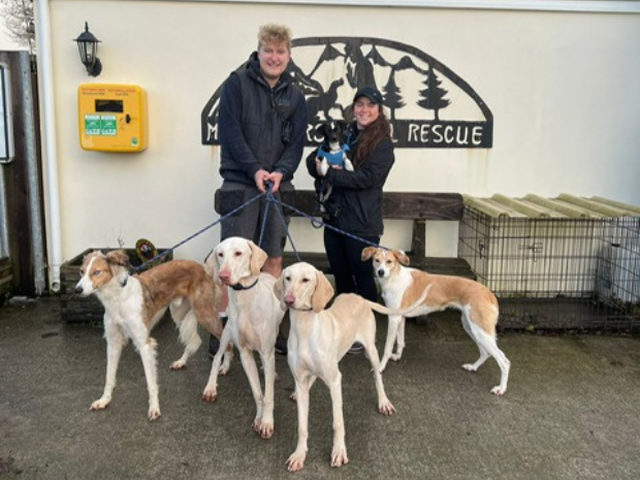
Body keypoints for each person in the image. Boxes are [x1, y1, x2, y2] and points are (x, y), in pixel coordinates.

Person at [209, 24, 308, 357]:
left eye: (281, 52)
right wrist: (255, 170)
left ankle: (271, 329)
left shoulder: (295, 95)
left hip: (276, 187)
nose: (275, 57)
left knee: (273, 261)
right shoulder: (236, 83)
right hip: (240, 183)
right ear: (259, 51)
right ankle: (221, 329)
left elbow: (296, 143)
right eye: (269, 51)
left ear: (288, 55)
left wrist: (280, 171)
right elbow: (231, 133)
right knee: (230, 266)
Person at [306, 86, 395, 354]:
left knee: (362, 277)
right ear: (354, 107)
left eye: (370, 105)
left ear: (379, 111)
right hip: (334, 219)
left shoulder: (383, 144)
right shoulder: (343, 132)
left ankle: (365, 331)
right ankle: (345, 329)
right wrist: (319, 166)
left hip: (362, 223)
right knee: (341, 276)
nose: (364, 110)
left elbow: (367, 179)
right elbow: (313, 159)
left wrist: (329, 174)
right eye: (360, 104)